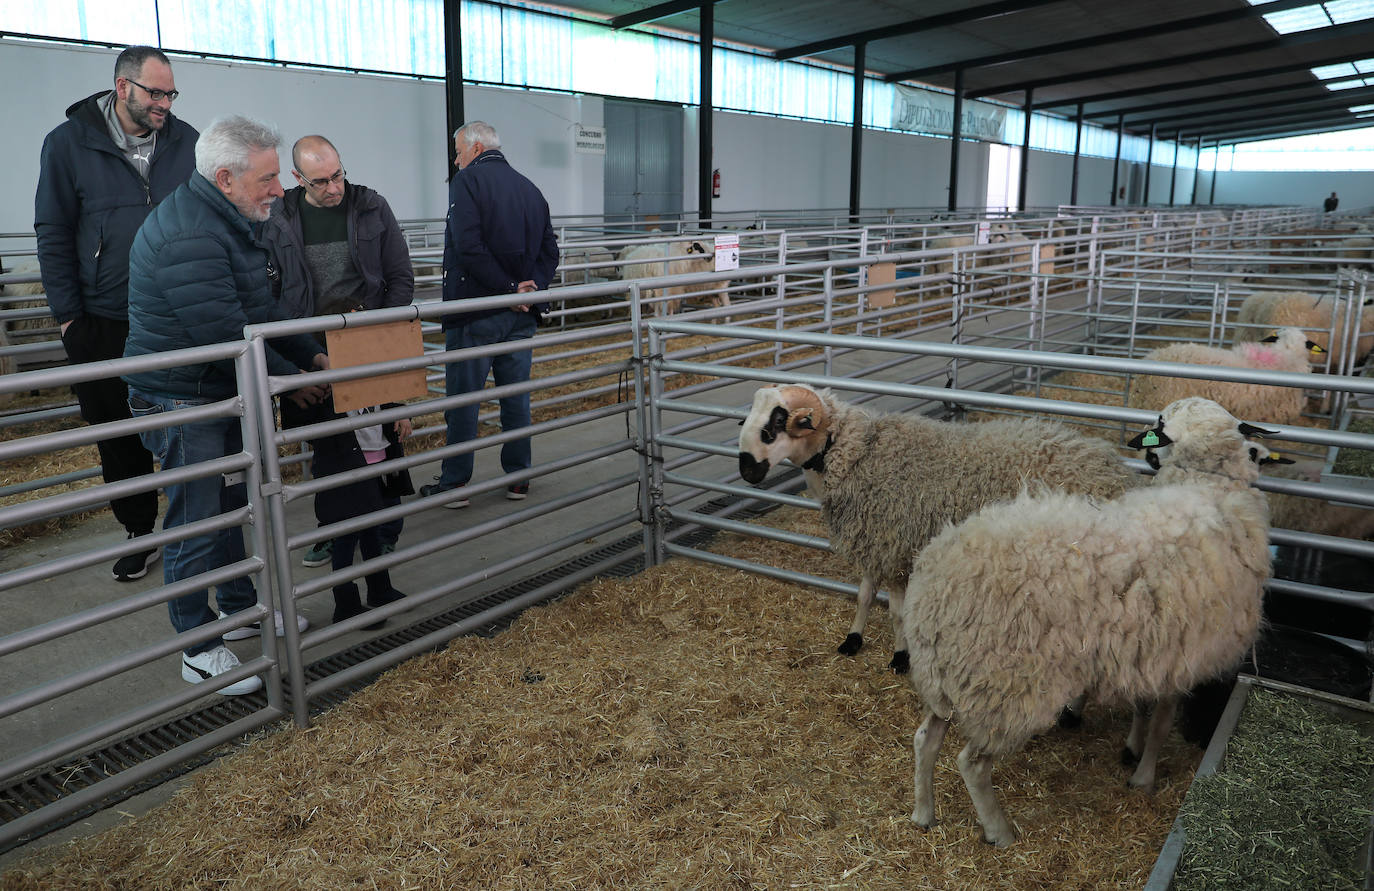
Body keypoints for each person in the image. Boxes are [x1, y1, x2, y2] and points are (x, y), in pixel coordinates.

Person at [123, 115, 329, 695]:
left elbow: (261, 311)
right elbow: (222, 331)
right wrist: (290, 377)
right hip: (181, 394)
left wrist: (310, 355)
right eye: (267, 178)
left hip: (219, 386)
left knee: (236, 503)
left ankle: (241, 614)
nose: (279, 189)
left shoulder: (233, 219)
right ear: (226, 177)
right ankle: (197, 646)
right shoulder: (191, 234)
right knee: (198, 518)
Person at [34, 46, 198, 582]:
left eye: (171, 93)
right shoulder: (68, 143)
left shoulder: (187, 141)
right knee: (116, 429)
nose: (165, 104)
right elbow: (53, 231)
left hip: (175, 311)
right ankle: (140, 531)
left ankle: (192, 529)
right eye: (156, 92)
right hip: (104, 314)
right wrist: (68, 318)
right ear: (123, 87)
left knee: (184, 422)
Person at [261, 135, 415, 618]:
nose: (334, 188)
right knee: (335, 467)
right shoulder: (278, 218)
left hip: (367, 354)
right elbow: (271, 294)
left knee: (383, 460)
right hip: (312, 362)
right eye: (321, 181)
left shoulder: (371, 208)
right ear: (298, 179)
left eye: (339, 175)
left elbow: (400, 279)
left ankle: (377, 554)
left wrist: (377, 341)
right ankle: (346, 567)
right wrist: (298, 361)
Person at [418, 121, 558, 507]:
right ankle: (519, 477)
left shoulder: (468, 183)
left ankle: (456, 483)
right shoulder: (529, 187)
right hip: (521, 316)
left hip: (477, 312)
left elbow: (468, 247)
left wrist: (507, 291)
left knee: (464, 397)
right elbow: (550, 251)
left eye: (458, 150)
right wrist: (529, 289)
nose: (456, 158)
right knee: (515, 396)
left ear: (476, 148)